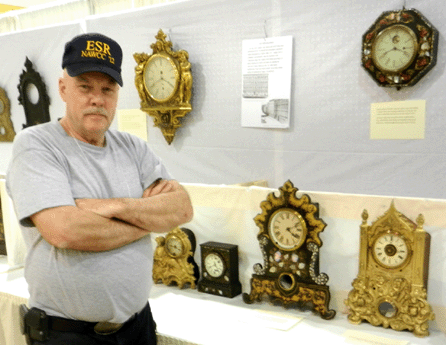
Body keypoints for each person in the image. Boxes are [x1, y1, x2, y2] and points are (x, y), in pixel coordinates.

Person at [6, 32, 193, 345]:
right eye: (85, 87)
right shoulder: (36, 145)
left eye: (107, 89)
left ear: (117, 94)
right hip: (66, 336)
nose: (97, 98)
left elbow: (182, 208)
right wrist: (147, 222)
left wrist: (115, 207)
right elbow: (65, 231)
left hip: (138, 328)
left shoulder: (134, 148)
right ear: (63, 89)